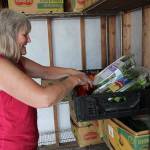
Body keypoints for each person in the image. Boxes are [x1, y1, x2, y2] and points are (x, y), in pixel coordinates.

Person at [0, 9, 92, 150]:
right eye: (25, 35)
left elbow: (45, 71)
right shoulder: (1, 66)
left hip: (26, 142)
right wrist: (73, 80)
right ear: (9, 36)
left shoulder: (14, 60)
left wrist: (74, 72)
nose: (29, 40)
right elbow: (43, 98)